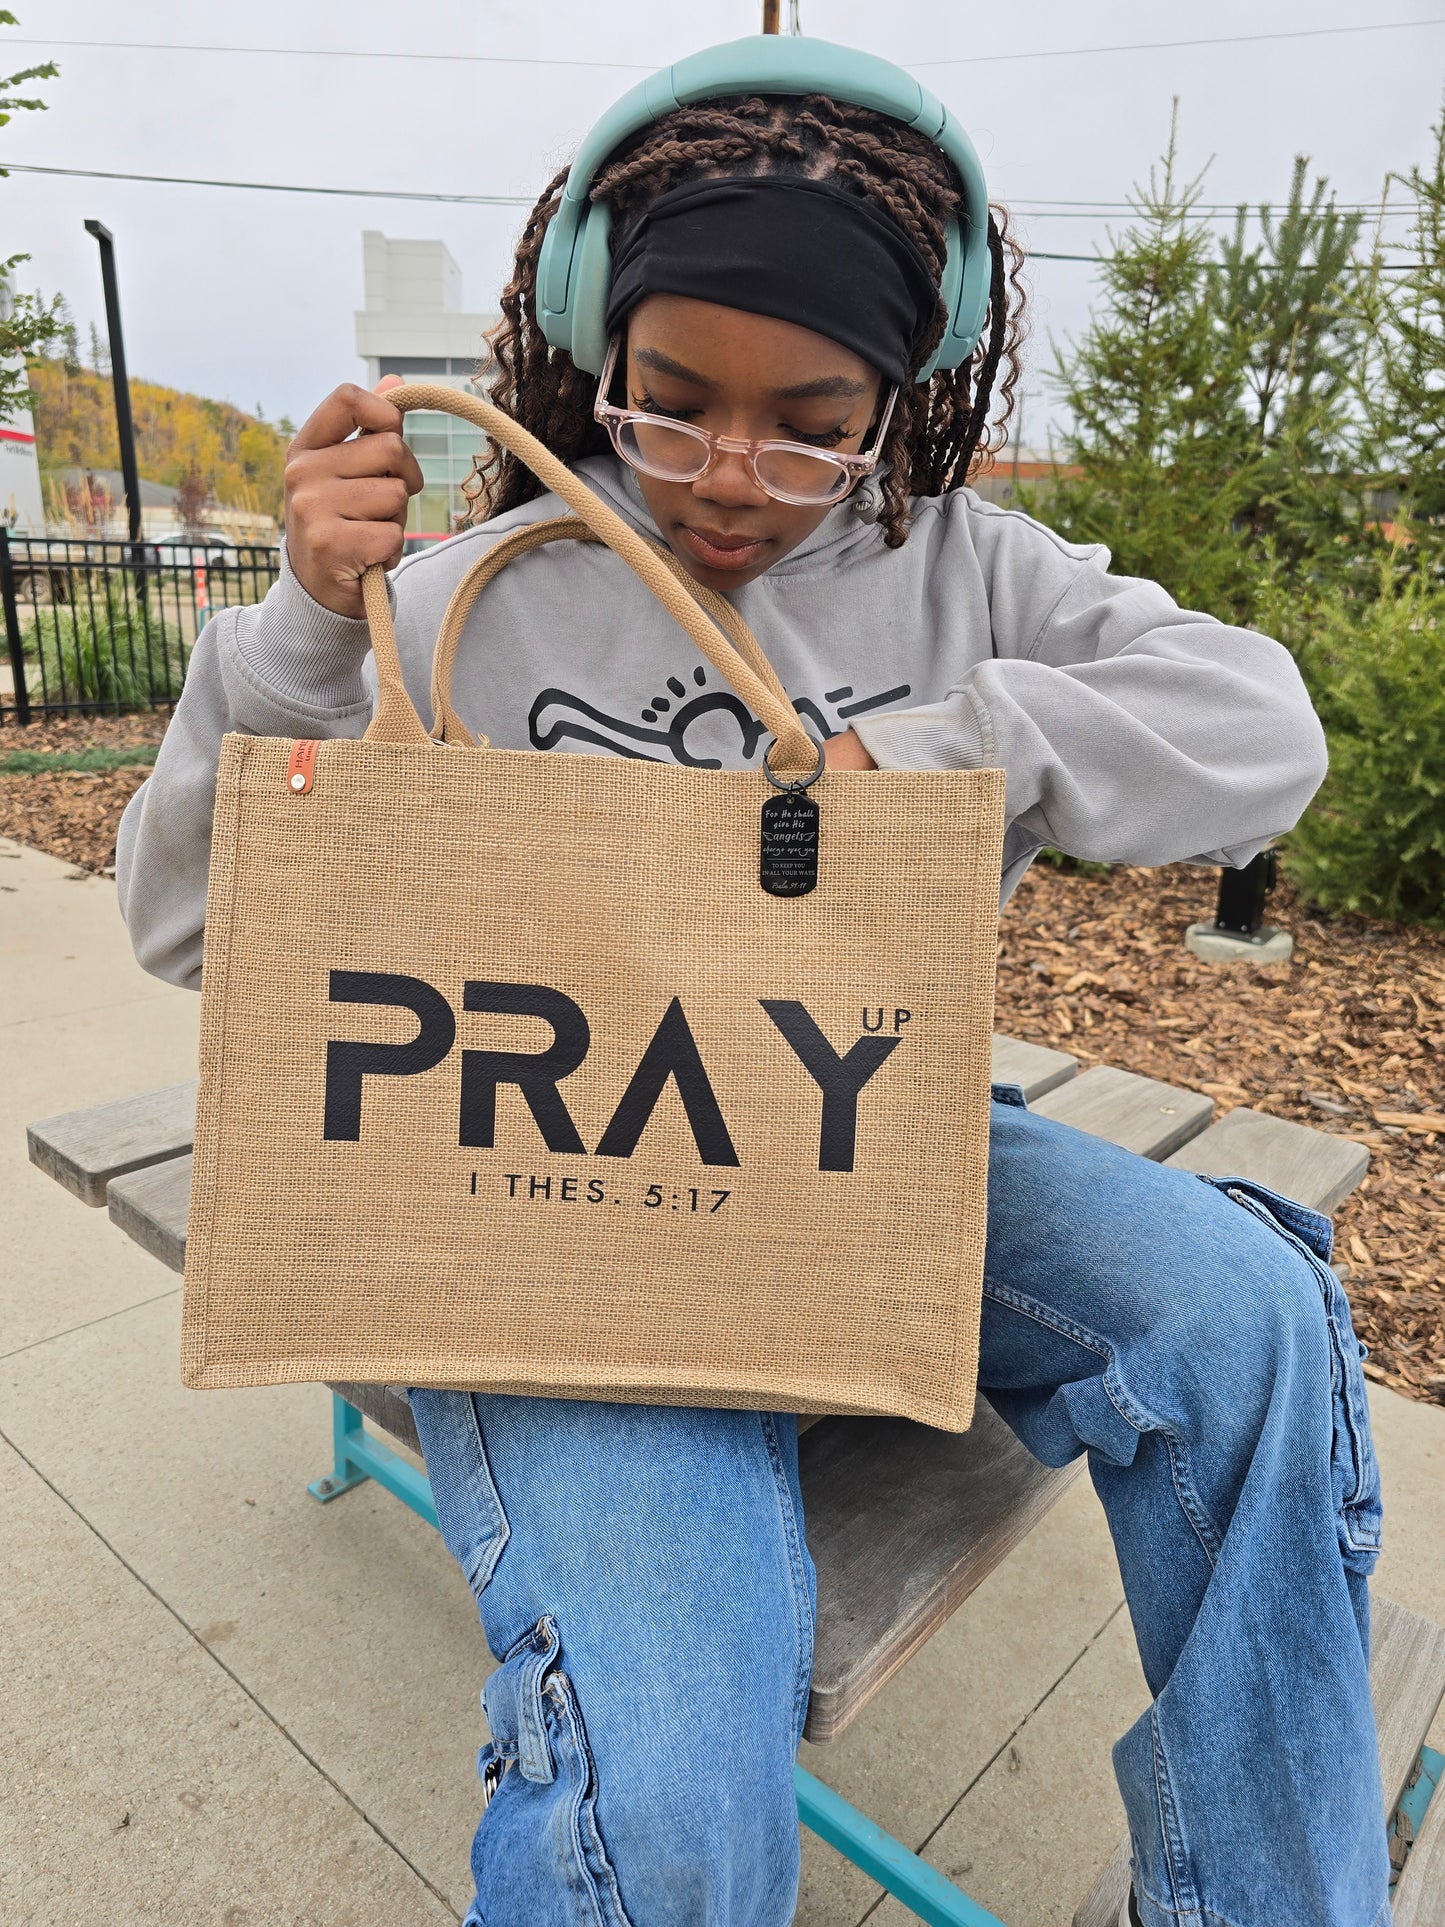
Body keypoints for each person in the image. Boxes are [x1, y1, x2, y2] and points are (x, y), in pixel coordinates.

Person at [115, 42, 1388, 1927]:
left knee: (1250, 1319)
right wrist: (307, 634)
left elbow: (1263, 732)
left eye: (811, 419)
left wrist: (958, 745)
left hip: (846, 1142)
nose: (730, 475)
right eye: (668, 403)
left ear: (906, 389)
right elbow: (197, 931)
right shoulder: (468, 587)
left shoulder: (964, 570)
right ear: (586, 346)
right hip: (530, 1201)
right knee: (677, 1783)